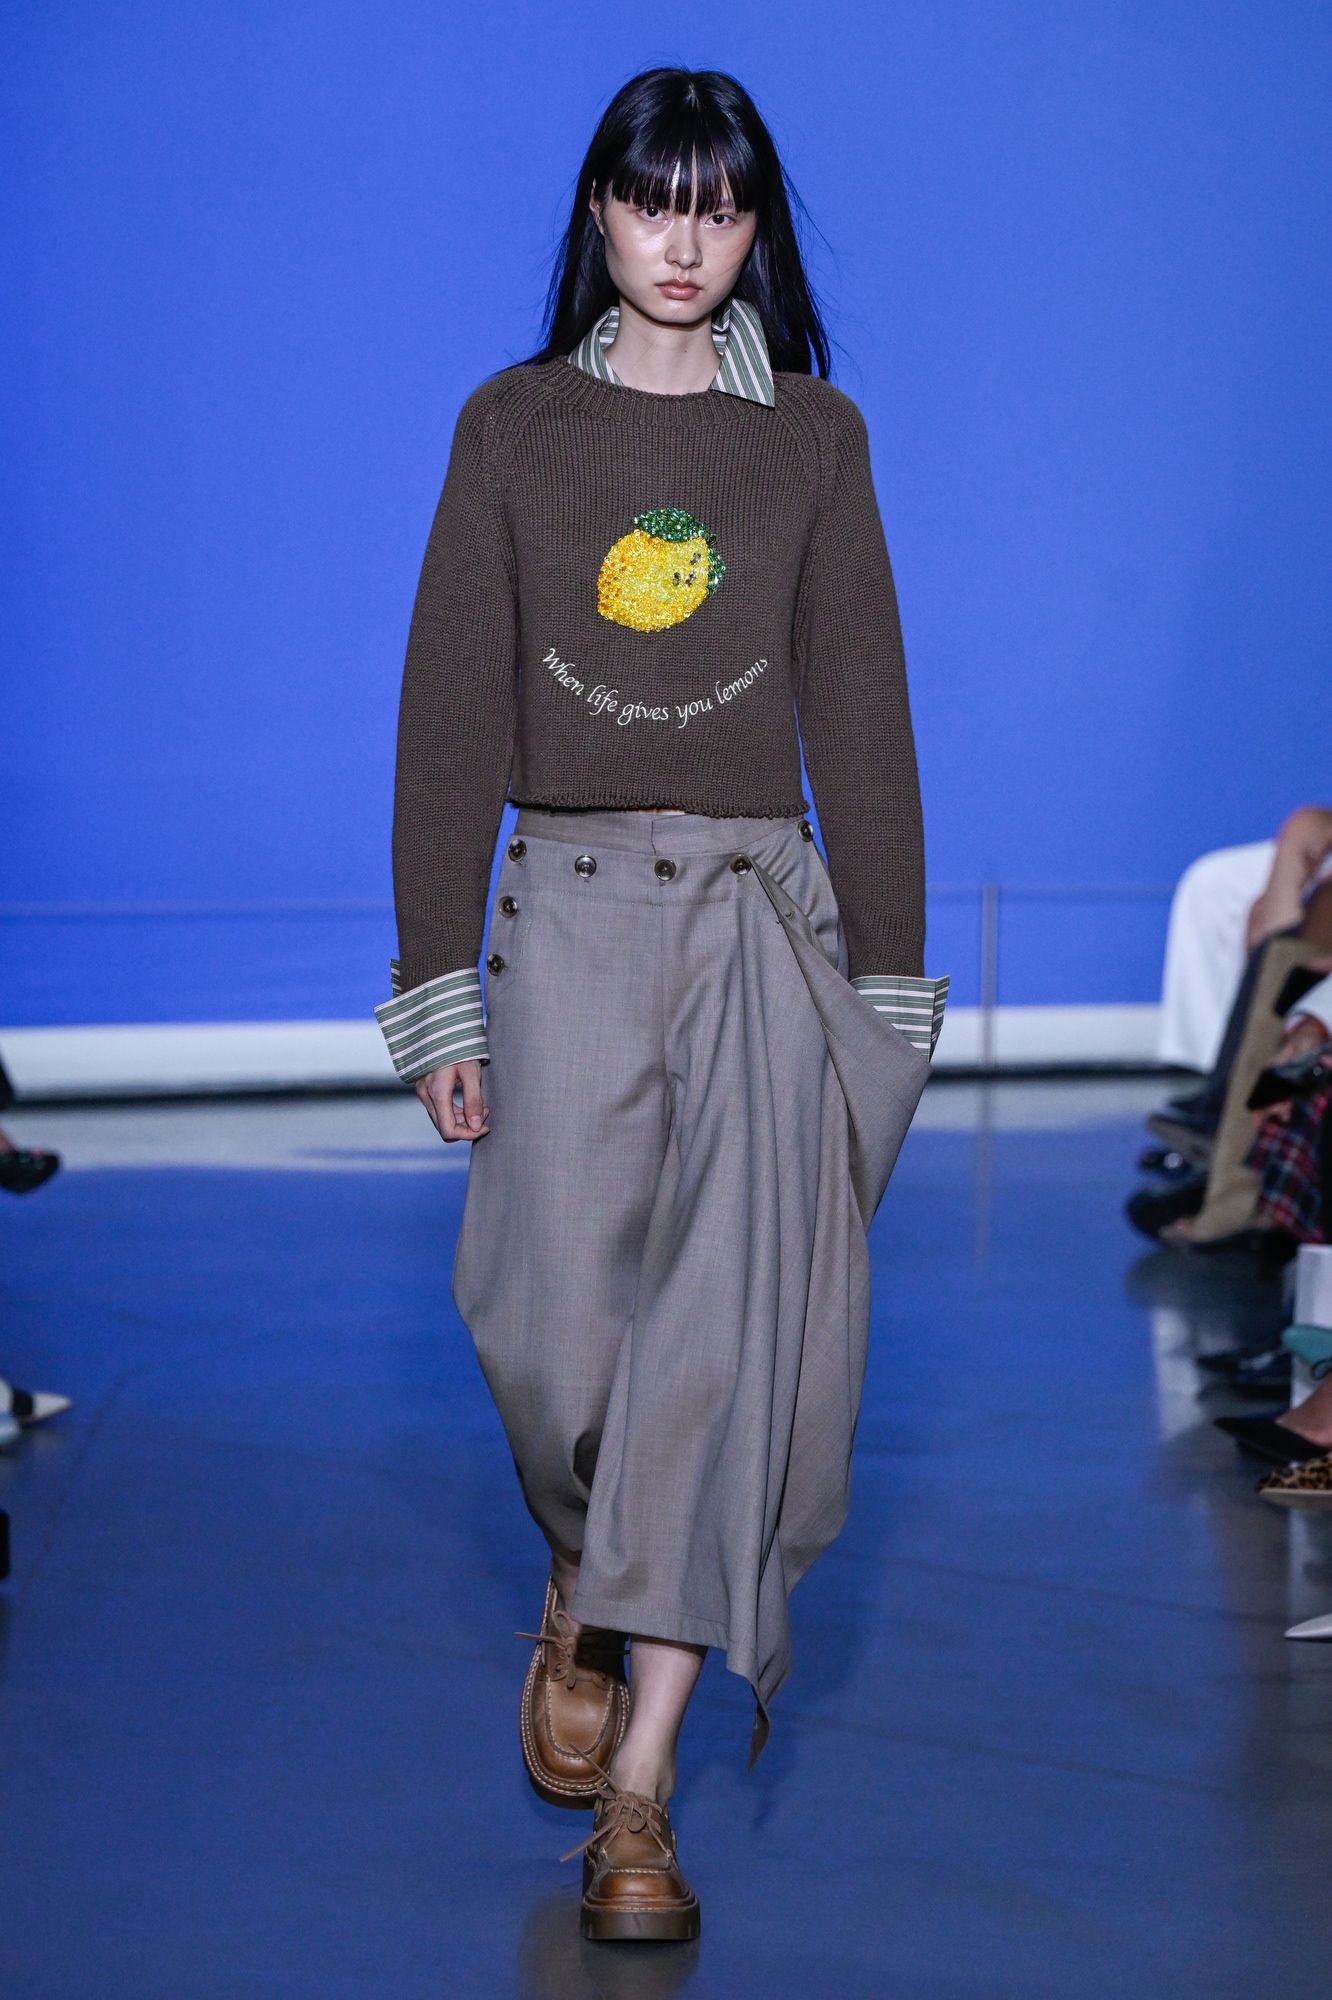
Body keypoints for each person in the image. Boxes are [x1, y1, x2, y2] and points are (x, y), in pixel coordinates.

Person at [373, 68, 948, 1943]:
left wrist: (887, 993)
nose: (684, 241)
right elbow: (450, 715)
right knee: (549, 1346)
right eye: (651, 200)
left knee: (718, 1361)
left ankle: (641, 1796)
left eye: (719, 206)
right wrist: (437, 991)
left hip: (760, 930)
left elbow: (862, 716)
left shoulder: (815, 442)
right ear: (598, 215)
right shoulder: (514, 426)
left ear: (756, 229)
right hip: (566, 918)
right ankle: (586, 1571)